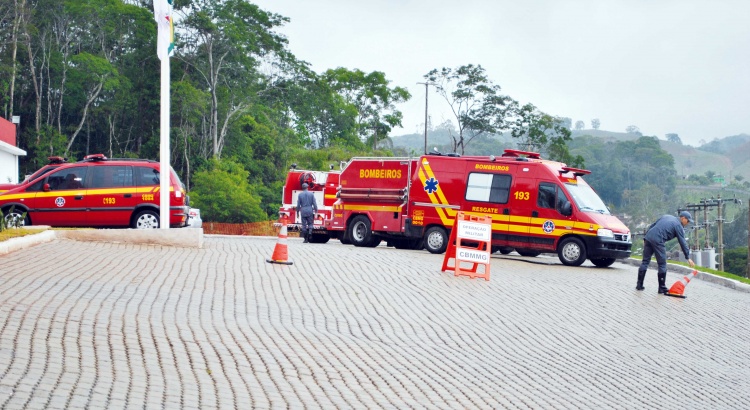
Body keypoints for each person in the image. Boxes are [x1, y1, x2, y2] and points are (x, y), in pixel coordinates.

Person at [637, 211, 696, 293]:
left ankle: (639, 285)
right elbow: (682, 242)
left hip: (649, 237)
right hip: (658, 240)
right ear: (682, 218)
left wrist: (645, 237)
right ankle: (661, 288)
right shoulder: (678, 225)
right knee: (662, 264)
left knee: (645, 262)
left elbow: (653, 225)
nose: (688, 223)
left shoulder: (667, 216)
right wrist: (688, 257)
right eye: (688, 220)